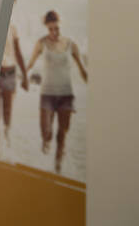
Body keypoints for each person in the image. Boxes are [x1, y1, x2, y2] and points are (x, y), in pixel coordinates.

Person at [26, 10, 87, 174]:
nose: (54, 32)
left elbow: (82, 69)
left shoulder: (71, 44)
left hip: (66, 94)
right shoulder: (41, 43)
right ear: (46, 27)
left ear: (61, 25)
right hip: (47, 94)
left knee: (62, 134)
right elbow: (30, 64)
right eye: (50, 29)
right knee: (46, 132)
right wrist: (24, 77)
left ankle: (58, 166)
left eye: (57, 28)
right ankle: (46, 140)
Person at [0, 0, 28, 158]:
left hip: (10, 74)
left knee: (7, 113)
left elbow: (18, 53)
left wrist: (25, 76)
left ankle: (5, 143)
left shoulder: (13, 28)